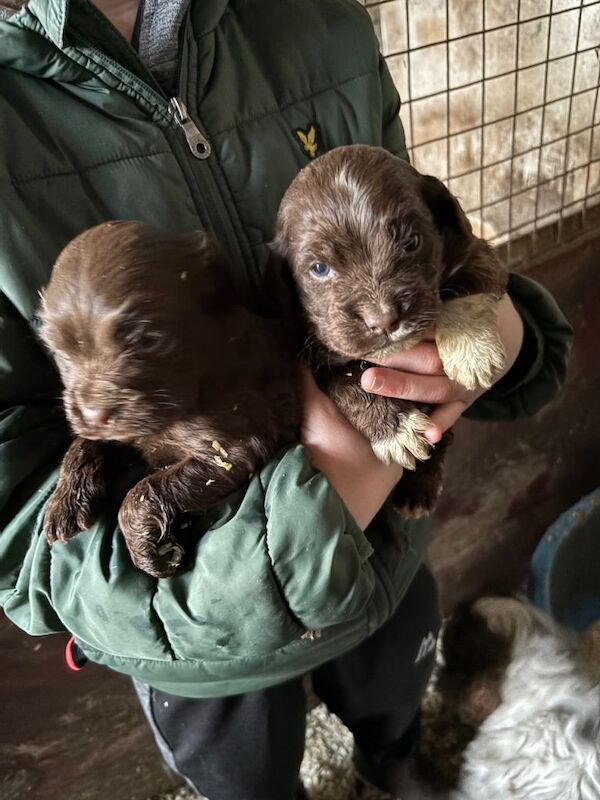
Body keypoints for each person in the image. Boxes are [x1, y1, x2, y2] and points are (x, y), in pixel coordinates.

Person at [0, 1, 572, 798]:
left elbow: (423, 229)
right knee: (246, 774)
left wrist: (500, 327)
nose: (376, 305)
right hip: (201, 630)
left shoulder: (320, 18)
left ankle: (392, 758)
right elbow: (20, 536)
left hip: (388, 554)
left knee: (394, 696)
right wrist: (330, 489)